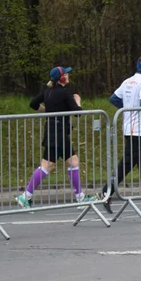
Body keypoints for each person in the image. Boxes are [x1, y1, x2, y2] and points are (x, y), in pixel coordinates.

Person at [16, 66, 98, 208]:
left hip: (52, 131)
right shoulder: (65, 93)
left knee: (67, 162)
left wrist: (46, 111)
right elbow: (78, 112)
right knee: (54, 165)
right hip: (59, 133)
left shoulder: (48, 90)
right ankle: (26, 196)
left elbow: (33, 104)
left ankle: (27, 196)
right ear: (62, 78)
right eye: (66, 73)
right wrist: (78, 100)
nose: (68, 75)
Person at [103, 55, 141, 211]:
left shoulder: (128, 81)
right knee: (128, 164)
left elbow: (114, 99)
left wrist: (128, 108)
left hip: (132, 127)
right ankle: (105, 193)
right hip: (138, 129)